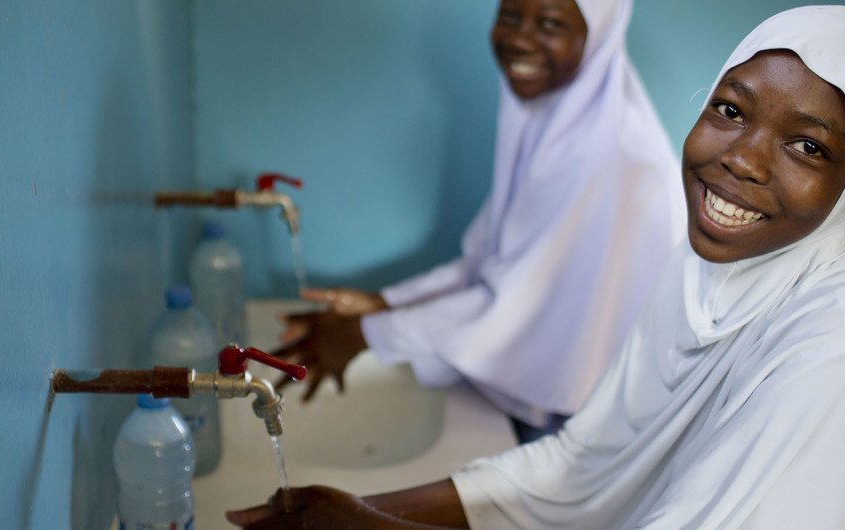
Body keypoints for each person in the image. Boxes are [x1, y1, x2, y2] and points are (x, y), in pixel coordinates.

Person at [228, 5, 845, 528]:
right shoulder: (711, 271)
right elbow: (583, 461)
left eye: (808, 146)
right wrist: (354, 509)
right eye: (730, 109)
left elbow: (515, 305)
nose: (743, 159)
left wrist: (370, 523)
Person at [276, 0, 686, 443]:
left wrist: (363, 333)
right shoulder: (558, 126)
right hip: (547, 408)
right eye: (510, 15)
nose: (519, 39)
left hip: (593, 437)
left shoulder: (619, 161)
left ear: (598, 37)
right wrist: (386, 303)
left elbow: (515, 306)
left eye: (550, 23)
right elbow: (497, 261)